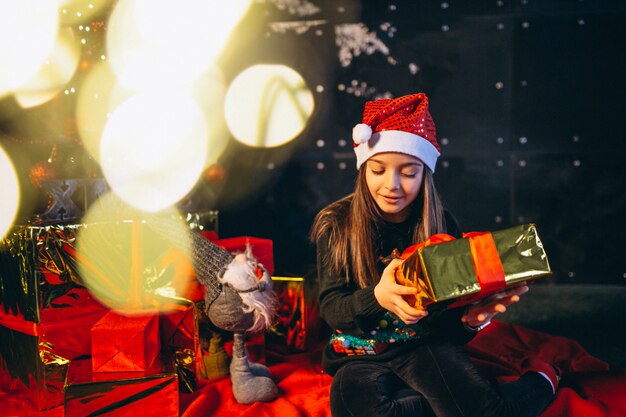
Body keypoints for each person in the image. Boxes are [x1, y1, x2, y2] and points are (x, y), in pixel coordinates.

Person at [310, 93, 558, 417]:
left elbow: (445, 321)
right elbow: (331, 308)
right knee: (352, 408)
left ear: (425, 173)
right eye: (378, 170)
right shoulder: (336, 224)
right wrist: (378, 297)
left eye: (409, 172)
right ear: (363, 169)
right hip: (360, 354)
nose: (392, 184)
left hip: (423, 346)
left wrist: (469, 321)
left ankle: (541, 381)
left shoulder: (440, 223)